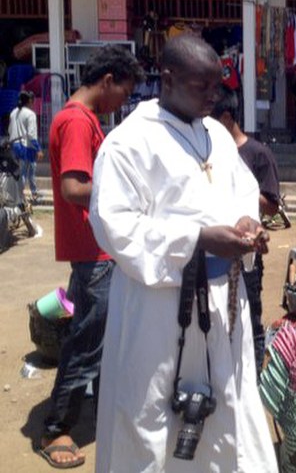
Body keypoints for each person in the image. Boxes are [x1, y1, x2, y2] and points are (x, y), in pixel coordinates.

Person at [89, 35, 278, 472]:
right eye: (202, 87)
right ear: (168, 80)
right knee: (152, 418)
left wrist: (246, 224)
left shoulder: (215, 133)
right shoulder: (127, 144)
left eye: (218, 87)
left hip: (221, 304)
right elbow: (115, 228)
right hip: (157, 308)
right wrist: (197, 239)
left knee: (226, 408)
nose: (214, 97)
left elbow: (243, 192)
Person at [40, 45, 143, 469]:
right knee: (87, 339)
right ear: (107, 81)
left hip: (96, 248)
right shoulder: (78, 122)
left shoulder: (79, 119)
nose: (123, 101)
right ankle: (56, 427)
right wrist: (129, 197)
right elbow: (73, 188)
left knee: (101, 338)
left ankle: (103, 414)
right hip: (94, 249)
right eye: (124, 92)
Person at [212, 84, 281, 374]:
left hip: (249, 252)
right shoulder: (211, 151)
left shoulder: (258, 154)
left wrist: (242, 187)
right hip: (217, 250)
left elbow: (272, 205)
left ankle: (252, 378)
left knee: (251, 316)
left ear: (227, 117)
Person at [8, 91, 43, 202]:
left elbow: (9, 130)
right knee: (27, 173)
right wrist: (38, 149)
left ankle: (24, 195)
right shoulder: (30, 114)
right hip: (26, 146)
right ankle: (24, 197)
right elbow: (31, 135)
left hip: (14, 145)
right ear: (29, 101)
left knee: (20, 172)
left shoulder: (13, 112)